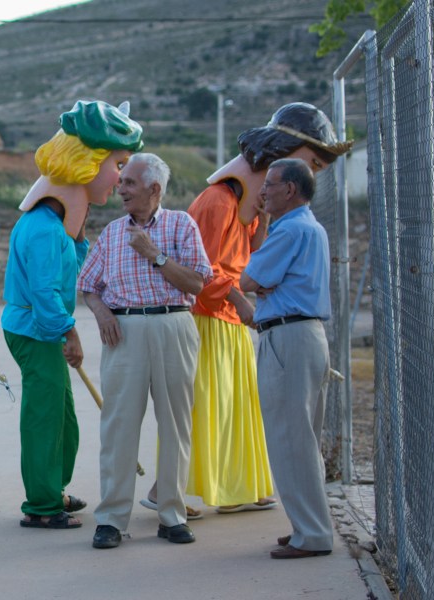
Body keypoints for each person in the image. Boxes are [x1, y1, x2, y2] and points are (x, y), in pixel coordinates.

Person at [142, 102, 350, 515]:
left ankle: (236, 487)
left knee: (238, 406)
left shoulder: (249, 206)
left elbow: (252, 255)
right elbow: (203, 268)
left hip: (230, 317)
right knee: (203, 407)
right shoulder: (217, 201)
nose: (312, 174)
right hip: (208, 316)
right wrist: (241, 299)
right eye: (311, 163)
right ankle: (165, 489)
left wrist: (263, 217)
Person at [2, 99, 143, 530]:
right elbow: (45, 293)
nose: (119, 178)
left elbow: (69, 270)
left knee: (61, 415)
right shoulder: (44, 228)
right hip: (36, 330)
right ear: (87, 164)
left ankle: (52, 490)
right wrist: (69, 333)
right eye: (118, 165)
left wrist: (79, 235)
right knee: (45, 417)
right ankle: (42, 505)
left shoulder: (53, 224)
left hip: (41, 329)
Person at [78, 152, 212, 549]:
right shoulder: (112, 232)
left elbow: (197, 283)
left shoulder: (181, 224)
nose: (120, 189)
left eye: (129, 183)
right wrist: (102, 312)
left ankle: (171, 515)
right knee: (118, 426)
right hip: (124, 332)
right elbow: (88, 285)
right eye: (121, 182)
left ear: (154, 189)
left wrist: (155, 255)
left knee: (175, 425)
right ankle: (111, 520)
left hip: (174, 325)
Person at [241, 157, 334, 559]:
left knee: (289, 438)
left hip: (287, 336)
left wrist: (260, 281)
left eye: (270, 185)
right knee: (302, 438)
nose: (262, 192)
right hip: (304, 335)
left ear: (290, 189)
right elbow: (259, 279)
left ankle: (311, 534)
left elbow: (249, 279)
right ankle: (307, 526)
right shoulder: (308, 226)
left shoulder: (290, 229)